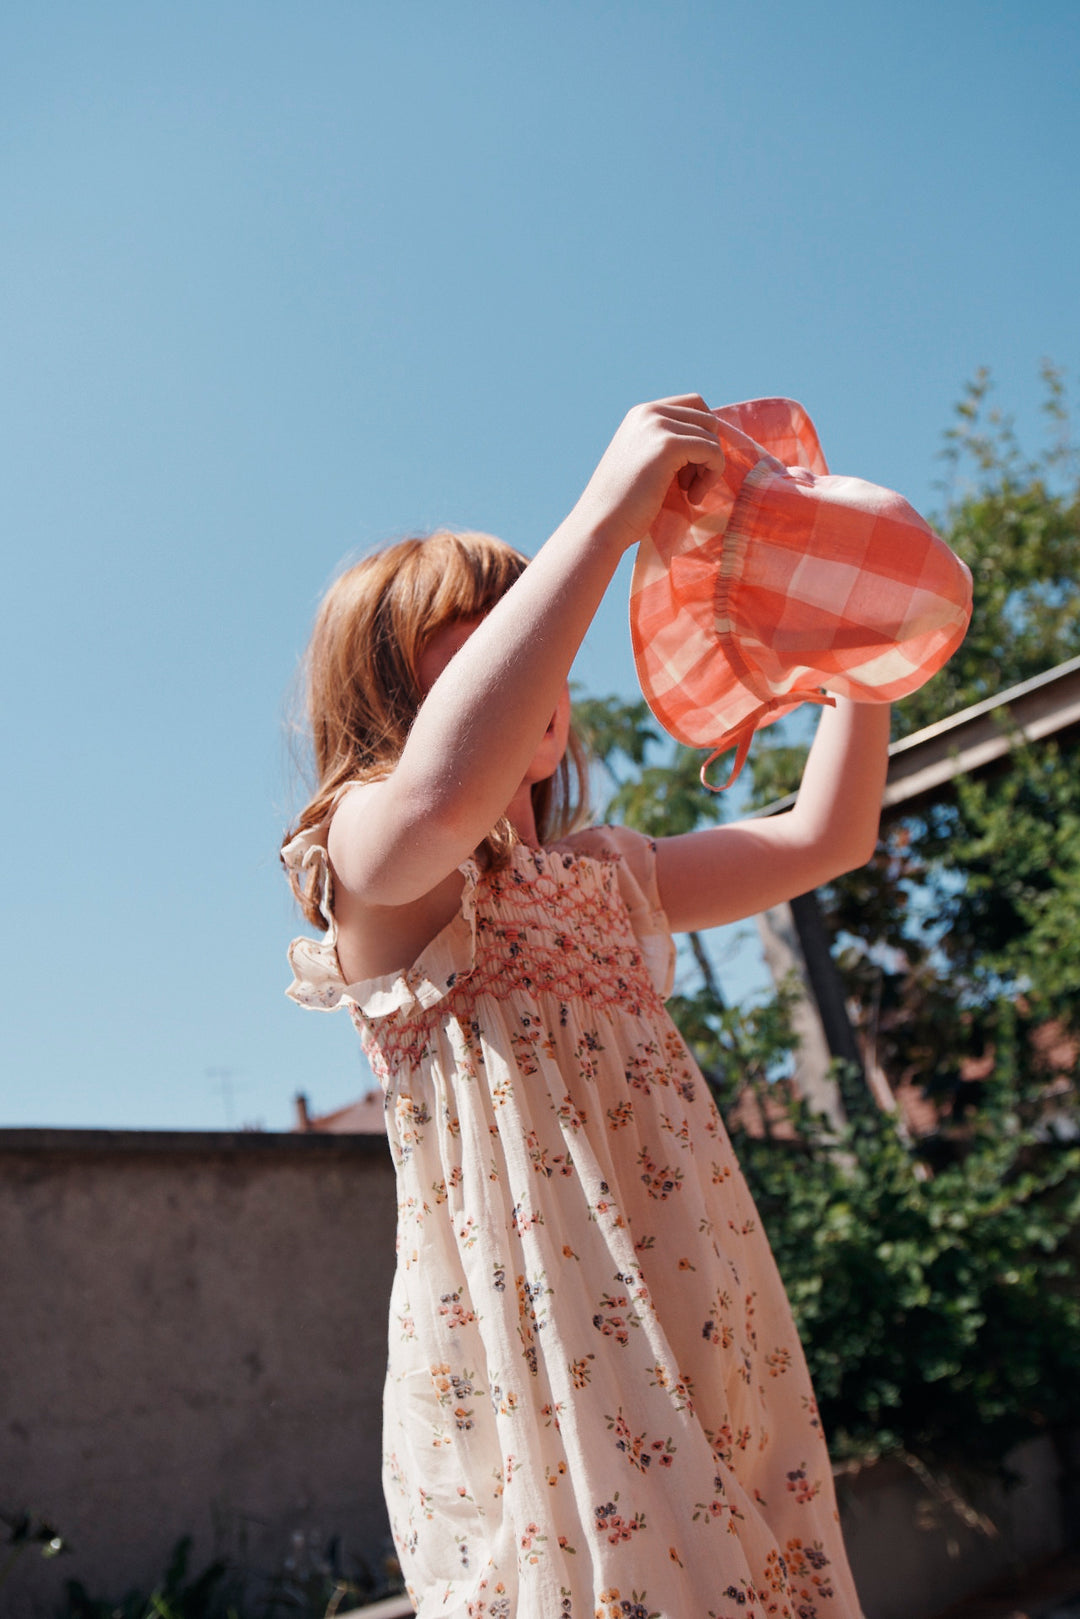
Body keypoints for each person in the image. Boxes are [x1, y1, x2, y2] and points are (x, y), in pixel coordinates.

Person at [282, 396, 889, 1619]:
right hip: (544, 1362)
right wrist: (605, 519)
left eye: (542, 636)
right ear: (386, 698)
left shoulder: (610, 875)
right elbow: (447, 797)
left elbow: (830, 834)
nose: (539, 651)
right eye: (488, 636)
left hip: (695, 1309)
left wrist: (865, 656)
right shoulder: (372, 865)